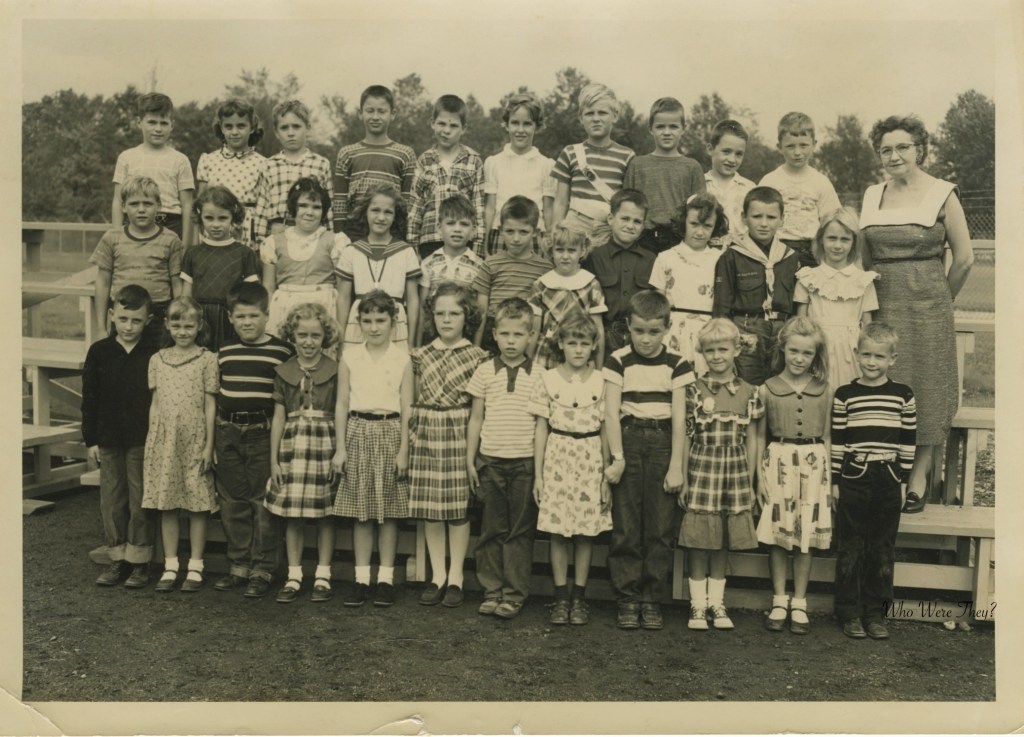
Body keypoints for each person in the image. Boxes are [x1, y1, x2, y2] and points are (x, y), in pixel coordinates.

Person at [858, 114, 973, 514]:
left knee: (927, 384)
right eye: (886, 149)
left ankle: (919, 475)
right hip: (884, 301)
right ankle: (888, 468)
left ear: (920, 149)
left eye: (903, 147)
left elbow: (964, 259)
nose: (894, 155)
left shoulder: (942, 192)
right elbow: (865, 256)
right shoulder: (873, 195)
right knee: (888, 382)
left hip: (929, 305)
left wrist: (941, 299)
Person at [603, 290, 693, 630]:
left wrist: (676, 466)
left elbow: (681, 419)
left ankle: (652, 598)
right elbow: (611, 414)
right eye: (639, 330)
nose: (645, 338)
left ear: (667, 328)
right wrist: (618, 457)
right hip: (627, 440)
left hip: (662, 444)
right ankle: (627, 597)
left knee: (659, 527)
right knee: (626, 526)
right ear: (628, 326)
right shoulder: (618, 360)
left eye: (654, 331)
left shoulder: (677, 363)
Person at [831, 322, 916, 640]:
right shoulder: (845, 395)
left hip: (888, 477)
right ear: (856, 354)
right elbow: (837, 441)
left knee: (882, 547)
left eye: (879, 357)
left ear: (892, 359)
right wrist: (836, 481)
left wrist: (903, 479)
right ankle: (849, 612)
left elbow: (909, 440)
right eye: (865, 354)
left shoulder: (903, 395)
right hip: (854, 475)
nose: (871, 362)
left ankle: (875, 613)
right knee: (851, 545)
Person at [408, 283, 489, 608]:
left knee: (457, 510)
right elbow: (413, 399)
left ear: (466, 316)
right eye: (440, 313)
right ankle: (437, 575)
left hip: (459, 432)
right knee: (432, 510)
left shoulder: (478, 357)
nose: (446, 320)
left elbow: (479, 411)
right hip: (427, 432)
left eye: (453, 313)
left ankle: (456, 576)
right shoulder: (420, 355)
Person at [680, 318, 763, 631]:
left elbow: (754, 439)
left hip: (735, 472)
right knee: (700, 540)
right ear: (702, 352)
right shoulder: (693, 390)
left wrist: (754, 481)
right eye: (710, 350)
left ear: (736, 349)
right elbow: (688, 436)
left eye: (723, 349)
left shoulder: (750, 392)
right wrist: (686, 479)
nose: (716, 356)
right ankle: (697, 605)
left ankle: (717, 602)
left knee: (722, 540)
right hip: (702, 469)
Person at [213, 282, 295, 598]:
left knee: (263, 502)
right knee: (233, 501)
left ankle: (263, 568)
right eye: (241, 316)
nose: (247, 322)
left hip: (262, 432)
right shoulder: (224, 352)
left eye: (254, 316)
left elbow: (285, 400)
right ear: (231, 318)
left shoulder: (282, 351)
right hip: (228, 431)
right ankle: (238, 566)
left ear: (266, 315)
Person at [332, 291, 414, 607]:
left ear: (393, 323)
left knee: (389, 511)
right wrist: (341, 448)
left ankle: (385, 580)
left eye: (381, 320)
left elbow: (408, 406)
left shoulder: (403, 357)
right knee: (361, 512)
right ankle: (362, 579)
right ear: (359, 323)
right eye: (367, 321)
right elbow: (341, 403)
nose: (374, 327)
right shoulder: (350, 357)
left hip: (391, 431)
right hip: (357, 431)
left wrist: (404, 449)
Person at [529, 315, 612, 626]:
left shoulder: (602, 380)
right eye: (572, 343)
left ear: (593, 346)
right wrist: (538, 475)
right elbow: (540, 429)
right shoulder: (548, 378)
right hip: (558, 455)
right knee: (558, 532)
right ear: (560, 344)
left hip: (589, 458)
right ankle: (560, 595)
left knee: (584, 533)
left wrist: (605, 475)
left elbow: (605, 430)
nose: (578, 350)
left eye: (584, 344)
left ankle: (579, 596)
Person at [754, 317, 832, 635]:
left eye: (807, 354)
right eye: (794, 351)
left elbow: (827, 436)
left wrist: (831, 480)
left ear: (816, 356)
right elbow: (759, 436)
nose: (799, 359)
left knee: (805, 537)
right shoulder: (767, 389)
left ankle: (799, 601)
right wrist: (759, 476)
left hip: (814, 466)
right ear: (783, 349)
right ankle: (778, 599)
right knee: (778, 535)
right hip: (779, 463)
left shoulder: (824, 390)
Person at [466, 297, 540, 619]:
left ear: (531, 336)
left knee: (519, 532)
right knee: (492, 530)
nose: (511, 342)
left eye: (519, 335)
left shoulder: (540, 374)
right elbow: (476, 418)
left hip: (524, 463)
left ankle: (513, 594)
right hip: (491, 462)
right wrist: (471, 460)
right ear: (494, 334)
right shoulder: (484, 371)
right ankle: (492, 590)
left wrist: (540, 469)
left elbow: (541, 425)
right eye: (505, 334)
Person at [83, 285, 159, 588]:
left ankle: (140, 561)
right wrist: (91, 440)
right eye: (124, 319)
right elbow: (90, 398)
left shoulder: (153, 352)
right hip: (109, 438)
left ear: (148, 320)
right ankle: (118, 559)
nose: (129, 327)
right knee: (112, 499)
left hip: (142, 438)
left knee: (140, 498)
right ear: (112, 315)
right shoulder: (99, 351)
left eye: (136, 321)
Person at [142, 297, 219, 593]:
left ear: (199, 326)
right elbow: (156, 402)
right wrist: (153, 437)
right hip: (165, 439)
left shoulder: (207, 359)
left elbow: (210, 404)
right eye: (177, 324)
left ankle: (196, 566)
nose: (183, 331)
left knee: (198, 503)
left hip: (195, 437)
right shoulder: (158, 359)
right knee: (168, 502)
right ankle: (170, 564)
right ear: (167, 325)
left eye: (189, 325)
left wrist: (209, 445)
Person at [266, 303, 341, 604]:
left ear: (325, 337)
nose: (308, 342)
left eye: (315, 335)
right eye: (302, 335)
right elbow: (279, 418)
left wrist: (339, 452)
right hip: (293, 448)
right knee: (292, 514)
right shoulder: (284, 372)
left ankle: (323, 574)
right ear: (291, 336)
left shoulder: (336, 371)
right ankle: (294, 574)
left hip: (325, 445)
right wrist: (274, 460)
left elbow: (340, 412)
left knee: (325, 515)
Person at [712, 186, 799, 385]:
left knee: (779, 385)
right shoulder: (732, 256)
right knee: (747, 385)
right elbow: (722, 305)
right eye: (757, 216)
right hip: (746, 329)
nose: (764, 224)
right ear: (744, 218)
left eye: (771, 218)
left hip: (781, 330)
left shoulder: (790, 257)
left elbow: (796, 302)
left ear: (782, 219)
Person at [92, 175, 184, 350]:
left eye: (147, 204)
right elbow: (103, 283)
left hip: (158, 316)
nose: (141, 209)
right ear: (124, 207)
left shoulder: (171, 240)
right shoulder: (112, 238)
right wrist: (100, 327)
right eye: (134, 204)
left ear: (159, 206)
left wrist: (177, 321)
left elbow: (177, 284)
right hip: (123, 314)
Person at [794, 207, 878, 390]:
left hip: (851, 351)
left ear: (854, 243)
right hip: (817, 349)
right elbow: (800, 324)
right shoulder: (807, 277)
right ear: (821, 240)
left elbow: (868, 328)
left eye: (845, 239)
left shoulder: (864, 280)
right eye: (832, 238)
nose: (838, 245)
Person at [649, 192, 728, 375]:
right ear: (684, 222)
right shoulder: (665, 258)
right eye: (694, 224)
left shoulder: (721, 259)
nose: (700, 232)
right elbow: (658, 304)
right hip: (673, 332)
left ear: (715, 227)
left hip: (708, 331)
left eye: (707, 226)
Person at [261, 177, 350, 339]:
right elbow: (268, 287)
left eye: (316, 207)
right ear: (293, 207)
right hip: (283, 309)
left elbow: (343, 290)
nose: (309, 212)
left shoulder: (335, 241)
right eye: (303, 205)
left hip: (323, 309)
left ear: (323, 212)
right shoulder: (273, 242)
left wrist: (341, 333)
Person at [337, 183, 421, 350]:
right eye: (375, 210)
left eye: (388, 212)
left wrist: (410, 342)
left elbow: (412, 300)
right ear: (365, 212)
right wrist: (340, 343)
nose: (381, 217)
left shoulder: (406, 252)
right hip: (359, 323)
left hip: (395, 325)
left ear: (396, 217)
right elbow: (343, 299)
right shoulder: (351, 251)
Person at [550, 83, 636, 242]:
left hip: (609, 230)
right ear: (581, 118)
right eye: (590, 113)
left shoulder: (627, 155)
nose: (596, 119)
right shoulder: (570, 153)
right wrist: (555, 233)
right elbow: (561, 202)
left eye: (602, 113)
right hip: (574, 227)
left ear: (615, 116)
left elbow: (628, 204)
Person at [181, 186, 261, 351]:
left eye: (222, 218)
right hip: (200, 320)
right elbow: (186, 297)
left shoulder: (244, 253)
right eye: (209, 218)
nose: (215, 224)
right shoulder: (193, 253)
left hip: (230, 319)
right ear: (200, 217)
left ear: (233, 217)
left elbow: (251, 295)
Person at [332, 84, 417, 238]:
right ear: (360, 113)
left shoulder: (405, 154)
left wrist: (405, 237)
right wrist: (339, 236)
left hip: (391, 229)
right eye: (370, 111)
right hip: (354, 230)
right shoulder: (347, 153)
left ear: (392, 114)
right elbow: (339, 200)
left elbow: (407, 201)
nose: (375, 117)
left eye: (381, 111)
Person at [623, 97, 706, 254]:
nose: (667, 132)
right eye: (660, 127)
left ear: (683, 128)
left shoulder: (692, 167)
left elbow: (700, 211)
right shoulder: (637, 165)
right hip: (642, 240)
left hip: (680, 241)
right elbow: (626, 207)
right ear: (650, 129)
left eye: (673, 127)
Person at [759, 112, 841, 269]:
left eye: (803, 145)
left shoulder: (821, 182)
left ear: (814, 144)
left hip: (811, 250)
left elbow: (831, 221)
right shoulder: (769, 181)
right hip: (776, 249)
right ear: (779, 147)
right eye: (790, 146)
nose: (797, 152)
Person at [408, 94, 486, 259]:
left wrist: (477, 250)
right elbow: (415, 207)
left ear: (463, 128)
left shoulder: (473, 161)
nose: (446, 131)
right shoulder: (424, 160)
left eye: (453, 126)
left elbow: (478, 209)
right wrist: (412, 249)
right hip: (430, 241)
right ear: (432, 123)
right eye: (441, 124)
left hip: (463, 242)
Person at [472, 196, 551, 356]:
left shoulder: (545, 269)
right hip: (493, 334)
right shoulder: (490, 264)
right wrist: (476, 349)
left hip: (527, 335)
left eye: (523, 232)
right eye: (509, 231)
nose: (516, 238)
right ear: (500, 230)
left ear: (535, 233)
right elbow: (482, 311)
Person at [111, 92, 194, 243]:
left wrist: (186, 245)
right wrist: (117, 239)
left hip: (170, 224)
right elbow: (118, 200)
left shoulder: (181, 160)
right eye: (152, 122)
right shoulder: (126, 157)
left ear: (172, 125)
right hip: (134, 223)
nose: (158, 129)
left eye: (163, 123)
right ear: (139, 122)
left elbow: (187, 205)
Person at [582, 189, 655, 360]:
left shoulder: (651, 259)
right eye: (625, 219)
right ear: (610, 219)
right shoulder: (594, 257)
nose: (630, 226)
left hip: (640, 340)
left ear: (643, 226)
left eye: (637, 221)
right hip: (603, 338)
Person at [483, 93, 556, 254]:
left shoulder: (547, 165)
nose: (520, 130)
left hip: (534, 237)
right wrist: (484, 244)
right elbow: (490, 208)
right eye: (515, 123)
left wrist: (551, 245)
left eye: (527, 124)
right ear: (507, 125)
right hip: (501, 236)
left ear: (536, 126)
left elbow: (549, 210)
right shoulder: (493, 163)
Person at [252, 100, 333, 243]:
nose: (290, 133)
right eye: (284, 128)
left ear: (307, 128)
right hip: (277, 233)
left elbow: (328, 208)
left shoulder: (321, 164)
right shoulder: (268, 165)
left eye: (296, 126)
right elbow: (261, 208)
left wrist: (329, 241)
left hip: (310, 235)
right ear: (277, 132)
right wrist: (260, 243)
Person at [528, 225, 607, 369]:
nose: (565, 256)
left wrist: (599, 369)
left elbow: (598, 329)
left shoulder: (591, 284)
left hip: (579, 351)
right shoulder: (541, 284)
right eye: (559, 250)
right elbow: (534, 330)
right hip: (547, 354)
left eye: (571, 250)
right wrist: (527, 364)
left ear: (582, 251)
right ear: (551, 251)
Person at [195, 99, 267, 248]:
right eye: (228, 126)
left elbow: (264, 206)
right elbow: (200, 203)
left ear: (252, 128)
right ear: (221, 128)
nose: (234, 132)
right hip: (215, 227)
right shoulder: (208, 160)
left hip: (248, 231)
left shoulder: (264, 164)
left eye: (241, 126)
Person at [417, 194, 485, 345]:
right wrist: (417, 345)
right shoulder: (428, 263)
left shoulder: (479, 266)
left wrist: (476, 347)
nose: (457, 229)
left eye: (464, 224)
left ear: (474, 230)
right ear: (439, 228)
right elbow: (423, 310)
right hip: (433, 336)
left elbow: (481, 311)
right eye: (451, 223)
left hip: (465, 336)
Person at [704, 120, 754, 247]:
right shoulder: (700, 184)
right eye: (726, 152)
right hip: (707, 252)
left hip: (741, 253)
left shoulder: (750, 188)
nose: (732, 159)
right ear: (710, 149)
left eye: (739, 154)